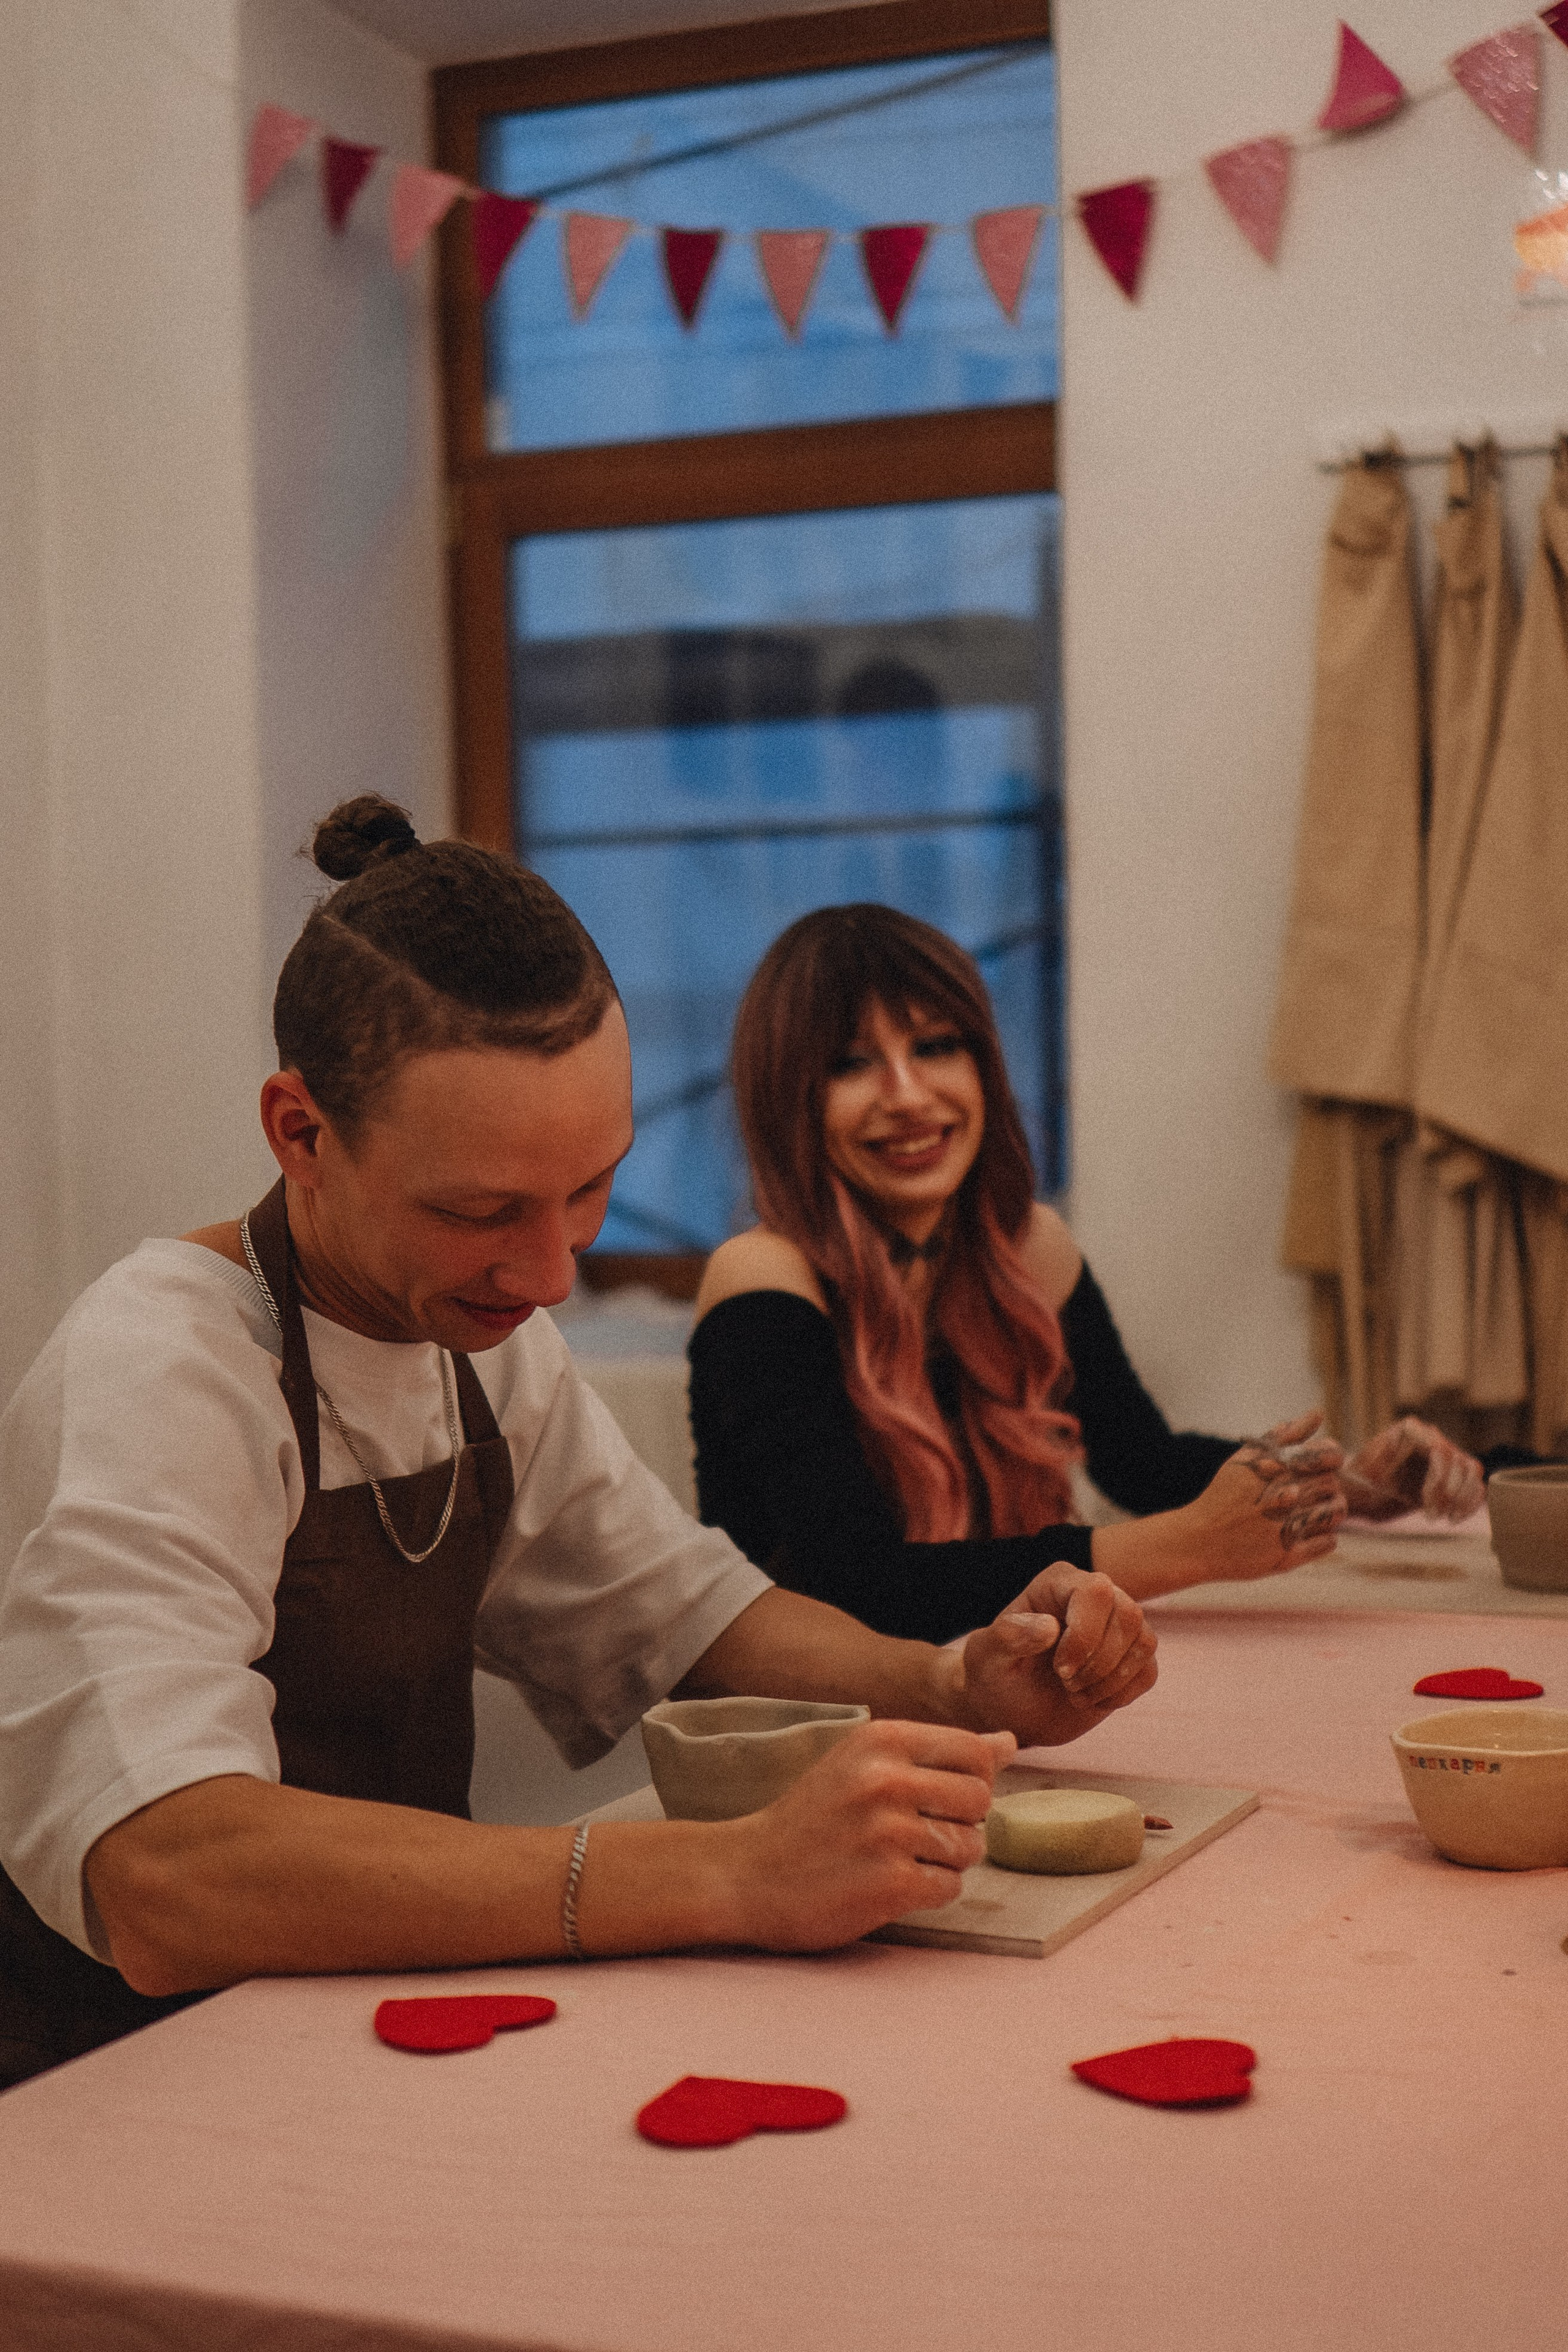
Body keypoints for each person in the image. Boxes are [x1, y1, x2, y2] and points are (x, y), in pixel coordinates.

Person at [0, 803, 1156, 2090]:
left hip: (359, 2034)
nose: (551, 1273)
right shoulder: (163, 1370)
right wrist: (726, 1873)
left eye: (592, 1189)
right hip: (113, 2076)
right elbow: (164, 1871)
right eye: (481, 1209)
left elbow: (685, 1611)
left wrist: (952, 1683)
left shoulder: (484, 1337)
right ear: (301, 1132)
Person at [688, 905, 1486, 1643]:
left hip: (974, 1677)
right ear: (789, 1102)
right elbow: (857, 1585)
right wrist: (1190, 1546)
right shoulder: (762, 1276)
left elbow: (1140, 1460)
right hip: (792, 1720)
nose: (909, 1095)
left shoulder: (1027, 1248)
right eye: (852, 1064)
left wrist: (1342, 1485)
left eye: (935, 1047)